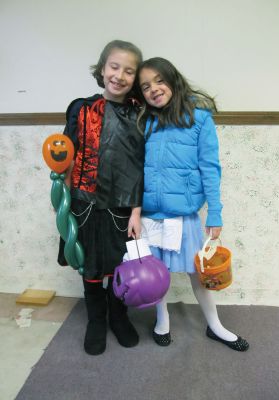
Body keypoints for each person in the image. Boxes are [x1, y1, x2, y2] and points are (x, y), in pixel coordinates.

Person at [138, 57, 249, 351]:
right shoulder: (144, 122)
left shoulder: (200, 120)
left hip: (182, 214)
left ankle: (215, 325)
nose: (154, 89)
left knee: (196, 272)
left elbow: (210, 169)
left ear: (173, 80)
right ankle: (162, 320)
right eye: (146, 86)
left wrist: (215, 212)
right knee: (155, 272)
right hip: (150, 214)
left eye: (159, 80)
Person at [58, 40, 145, 355]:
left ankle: (119, 317)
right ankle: (96, 319)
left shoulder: (139, 114)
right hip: (84, 203)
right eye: (114, 66)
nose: (120, 75)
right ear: (102, 68)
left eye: (129, 71)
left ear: (135, 78)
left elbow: (140, 166)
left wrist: (136, 212)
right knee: (91, 266)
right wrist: (63, 206)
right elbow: (66, 157)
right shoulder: (81, 108)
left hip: (122, 207)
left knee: (121, 267)